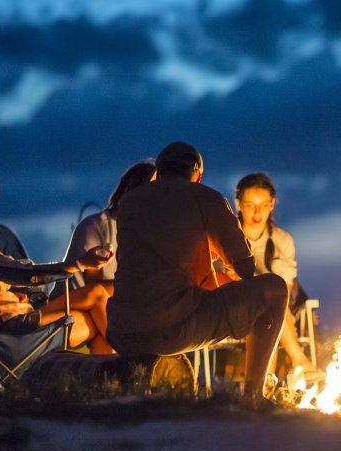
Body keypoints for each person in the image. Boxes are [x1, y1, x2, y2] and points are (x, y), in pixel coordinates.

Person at [106, 141, 288, 405]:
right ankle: (253, 395)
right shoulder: (206, 198)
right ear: (198, 175)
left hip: (122, 329)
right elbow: (246, 268)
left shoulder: (131, 202)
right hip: (172, 327)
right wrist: (214, 250)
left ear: (159, 170)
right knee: (274, 290)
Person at [0, 171, 116, 353]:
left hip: (1, 319)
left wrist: (10, 295)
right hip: (13, 324)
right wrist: (80, 263)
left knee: (95, 317)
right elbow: (24, 274)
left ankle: (114, 376)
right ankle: (131, 366)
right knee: (97, 295)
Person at [231, 172, 320, 381]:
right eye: (250, 204)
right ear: (238, 204)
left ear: (272, 204)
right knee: (269, 311)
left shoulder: (282, 240)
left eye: (263, 205)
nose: (257, 212)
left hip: (279, 307)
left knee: (273, 309)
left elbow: (286, 287)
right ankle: (300, 363)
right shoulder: (229, 238)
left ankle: (265, 385)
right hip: (237, 308)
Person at [62, 159, 156, 292]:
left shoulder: (146, 234)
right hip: (75, 308)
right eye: (153, 190)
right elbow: (94, 289)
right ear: (133, 191)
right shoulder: (96, 227)